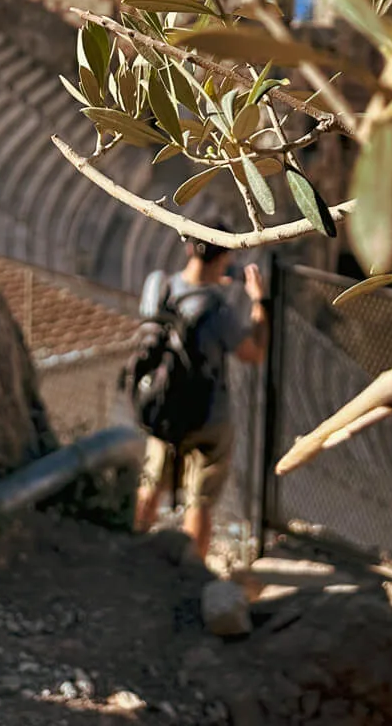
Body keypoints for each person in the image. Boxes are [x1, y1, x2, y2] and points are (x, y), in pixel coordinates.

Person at [133, 226, 268, 561]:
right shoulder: (219, 310)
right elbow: (254, 353)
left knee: (150, 485)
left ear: (190, 249)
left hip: (163, 408)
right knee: (200, 500)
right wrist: (258, 302)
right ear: (222, 257)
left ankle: (131, 551)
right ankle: (192, 572)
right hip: (208, 416)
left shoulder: (160, 285)